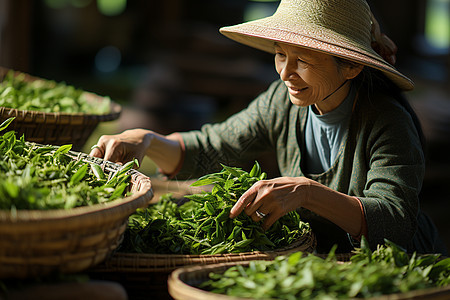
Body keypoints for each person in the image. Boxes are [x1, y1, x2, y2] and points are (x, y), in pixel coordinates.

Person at [90, 0, 448, 254]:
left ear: (351, 67)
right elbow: (218, 145)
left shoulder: (388, 121)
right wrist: (149, 140)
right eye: (280, 55)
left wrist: (308, 192)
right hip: (323, 265)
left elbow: (394, 221)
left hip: (402, 273)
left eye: (303, 60)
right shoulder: (283, 101)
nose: (285, 74)